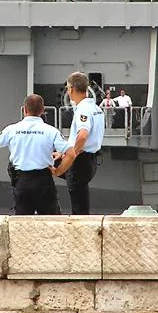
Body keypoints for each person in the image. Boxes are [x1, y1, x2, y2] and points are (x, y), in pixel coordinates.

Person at [0, 94, 69, 215]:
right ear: (43, 110)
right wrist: (58, 171)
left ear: (24, 110)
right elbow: (71, 153)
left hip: (22, 182)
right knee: (51, 222)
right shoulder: (51, 131)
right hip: (44, 180)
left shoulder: (12, 129)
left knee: (21, 225)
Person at [53, 72, 104, 215]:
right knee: (81, 202)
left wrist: (71, 153)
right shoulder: (96, 108)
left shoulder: (83, 109)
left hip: (80, 162)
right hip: (90, 160)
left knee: (79, 207)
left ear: (70, 89)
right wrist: (64, 153)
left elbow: (82, 135)